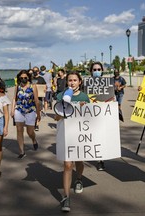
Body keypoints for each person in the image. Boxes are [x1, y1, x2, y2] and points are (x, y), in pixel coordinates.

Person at [55, 71, 90, 212]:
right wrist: (62, 109)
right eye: (70, 80)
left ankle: (79, 178)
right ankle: (66, 197)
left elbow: (90, 118)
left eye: (75, 80)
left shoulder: (84, 97)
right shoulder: (60, 96)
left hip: (80, 134)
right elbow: (56, 118)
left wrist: (84, 107)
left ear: (79, 82)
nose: (72, 82)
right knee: (68, 165)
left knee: (79, 161)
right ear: (67, 82)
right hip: (66, 135)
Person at [11, 70, 41, 159]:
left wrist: (38, 114)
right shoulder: (17, 87)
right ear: (19, 78)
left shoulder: (33, 86)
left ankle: (34, 140)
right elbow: (14, 99)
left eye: (25, 77)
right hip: (19, 110)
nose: (23, 79)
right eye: (21, 78)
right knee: (19, 130)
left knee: (30, 131)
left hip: (30, 110)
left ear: (28, 78)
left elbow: (36, 100)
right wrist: (12, 109)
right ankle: (22, 151)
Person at [88, 62, 106, 171]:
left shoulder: (107, 84)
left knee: (102, 138)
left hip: (103, 114)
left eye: (99, 69)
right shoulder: (86, 84)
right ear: (91, 71)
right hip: (90, 114)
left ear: (102, 70)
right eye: (94, 70)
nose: (97, 71)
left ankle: (101, 160)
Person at [32, 66, 46, 131]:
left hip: (39, 97)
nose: (34, 72)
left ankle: (37, 124)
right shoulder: (31, 78)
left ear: (38, 71)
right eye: (33, 71)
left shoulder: (41, 79)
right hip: (31, 98)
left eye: (36, 71)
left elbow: (45, 87)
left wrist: (44, 90)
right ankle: (32, 122)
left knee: (38, 110)